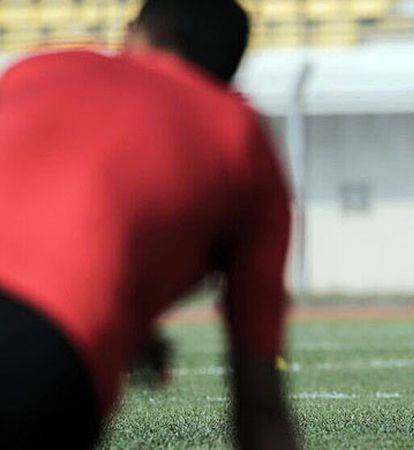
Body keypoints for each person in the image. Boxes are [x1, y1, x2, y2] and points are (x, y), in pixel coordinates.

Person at [0, 1, 298, 448]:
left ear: (137, 33)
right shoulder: (239, 136)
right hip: (44, 350)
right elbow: (259, 407)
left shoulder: (39, 67)